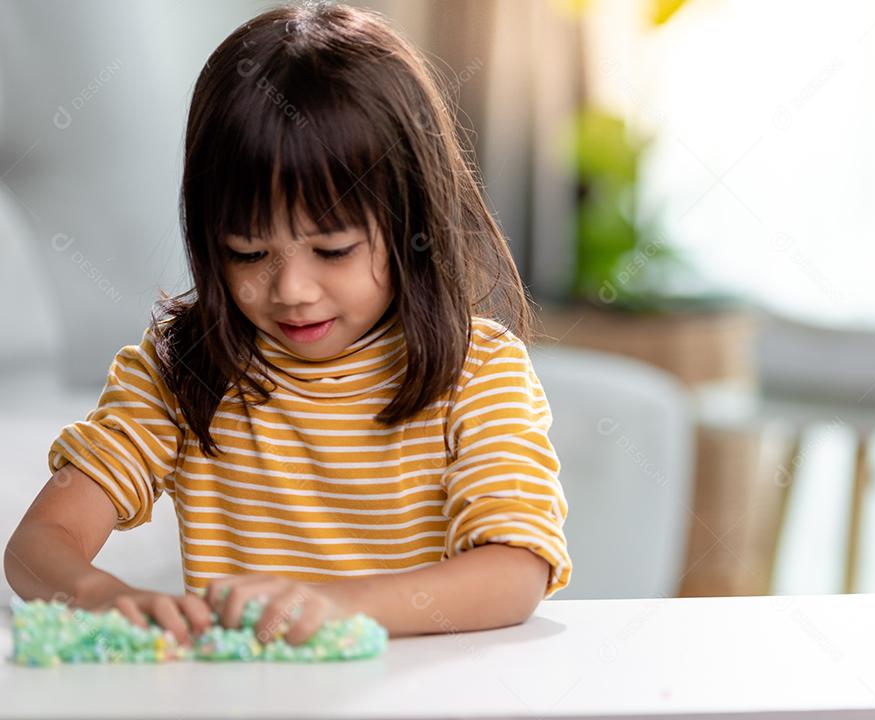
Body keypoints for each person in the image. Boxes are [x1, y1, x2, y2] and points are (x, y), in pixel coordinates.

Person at [4, 1, 570, 647]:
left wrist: (334, 606)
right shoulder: (181, 369)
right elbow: (37, 544)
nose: (292, 291)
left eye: (334, 250)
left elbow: (516, 570)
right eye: (248, 253)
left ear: (412, 224)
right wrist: (99, 595)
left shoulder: (478, 372)